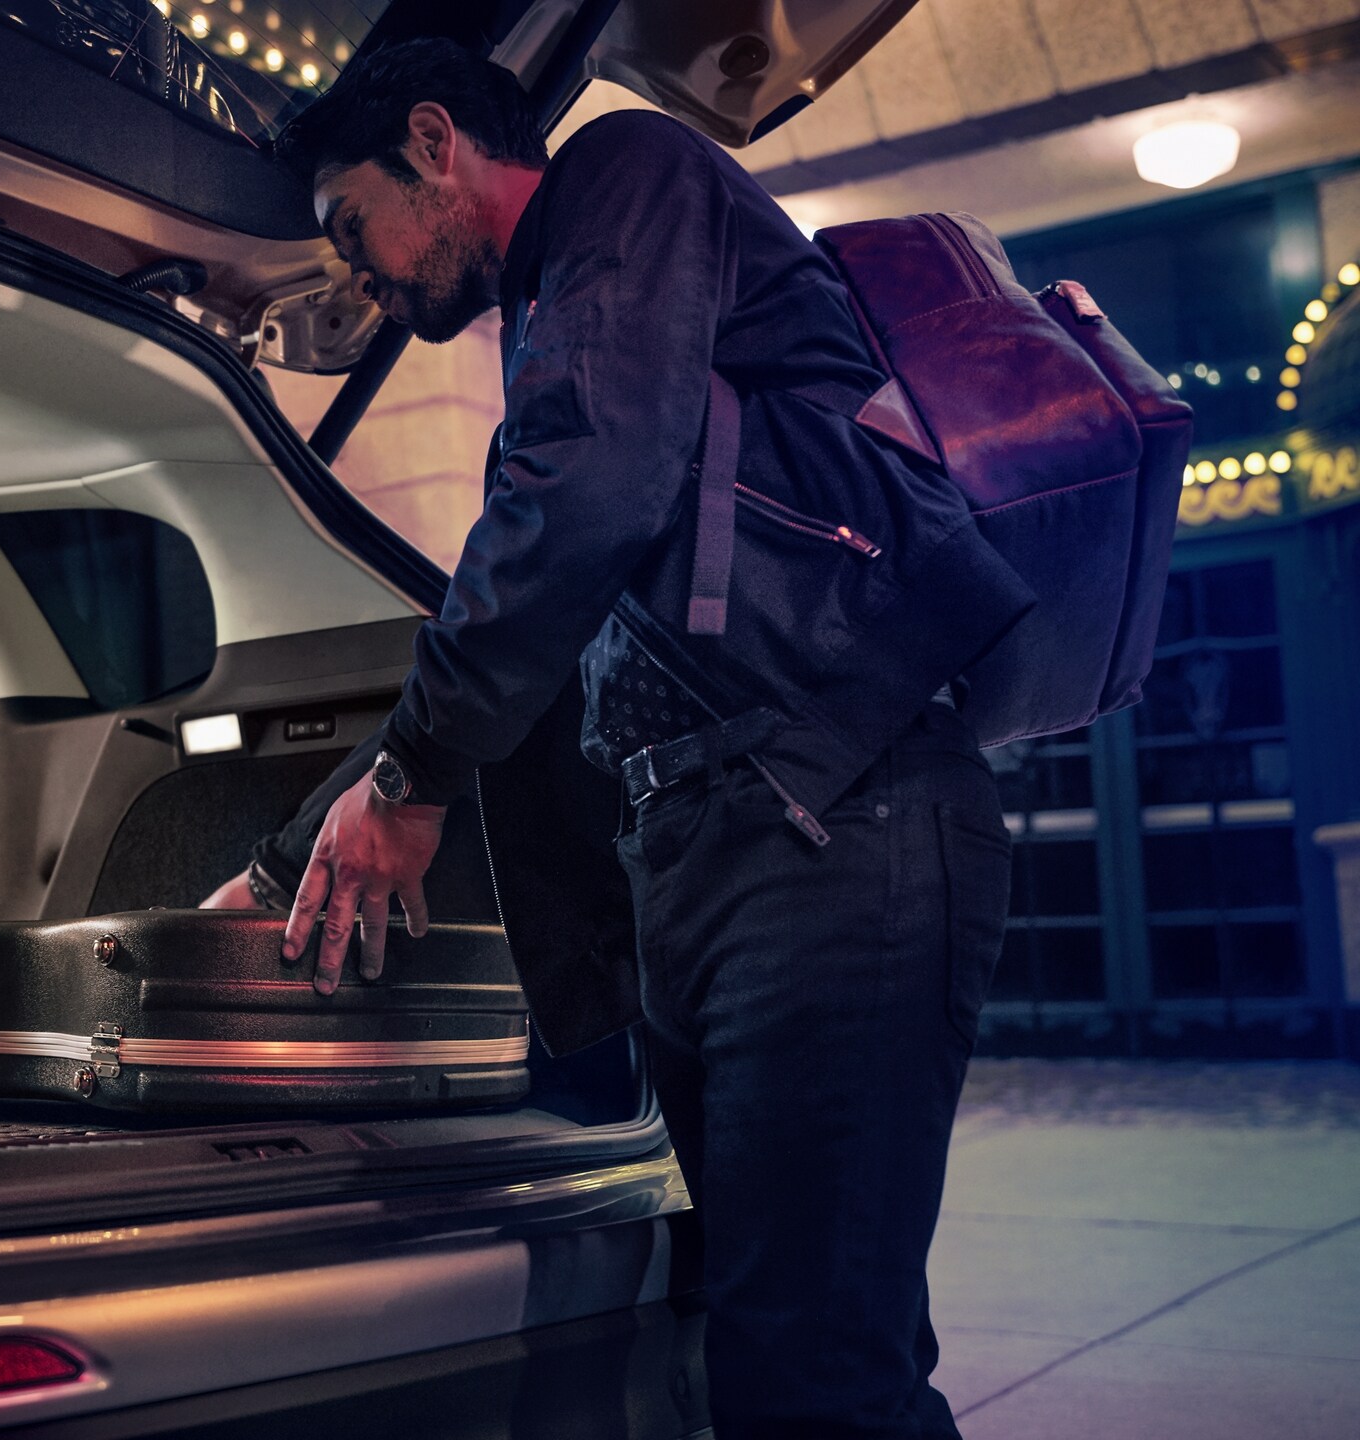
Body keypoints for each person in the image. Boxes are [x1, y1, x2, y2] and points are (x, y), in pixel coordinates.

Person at [205, 39, 1026, 1440]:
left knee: (813, 1375)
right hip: (726, 850)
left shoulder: (625, 180)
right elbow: (540, 619)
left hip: (836, 817)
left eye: (355, 227)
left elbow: (581, 500)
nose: (359, 278)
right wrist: (293, 866)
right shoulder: (557, 314)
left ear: (436, 142)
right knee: (794, 1351)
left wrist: (412, 772)